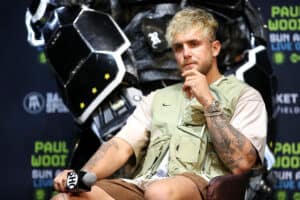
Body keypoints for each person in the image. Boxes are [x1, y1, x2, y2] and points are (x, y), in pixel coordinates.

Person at [51, 7, 267, 200]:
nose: (187, 53)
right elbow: (120, 146)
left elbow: (241, 162)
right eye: (179, 47)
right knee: (65, 199)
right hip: (143, 185)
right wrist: (80, 177)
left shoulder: (246, 96)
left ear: (215, 48)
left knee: (160, 192)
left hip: (201, 184)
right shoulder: (157, 97)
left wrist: (208, 100)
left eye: (194, 44)